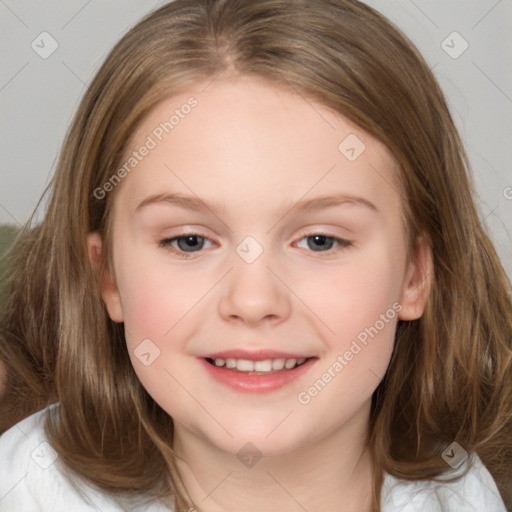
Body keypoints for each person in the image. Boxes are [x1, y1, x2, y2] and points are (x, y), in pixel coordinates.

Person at [0, 1, 510, 511]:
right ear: (108, 277)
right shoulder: (25, 490)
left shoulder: (462, 496)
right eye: (190, 241)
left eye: (320, 241)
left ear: (415, 276)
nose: (252, 300)